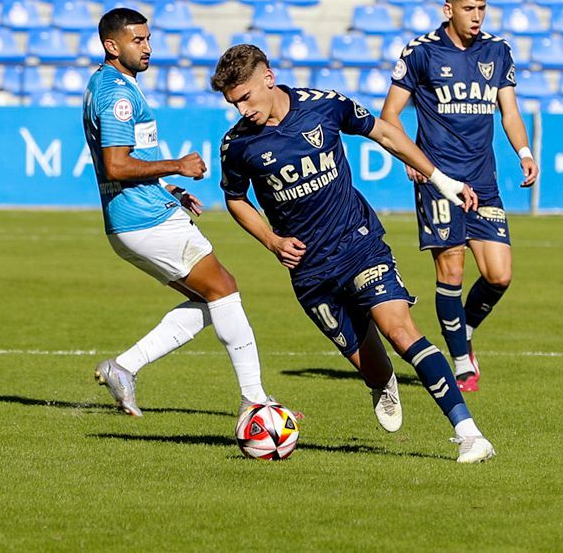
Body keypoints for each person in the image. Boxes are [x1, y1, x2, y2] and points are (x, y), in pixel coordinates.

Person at [211, 44, 495, 464]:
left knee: (401, 333)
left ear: (267, 78)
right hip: (309, 271)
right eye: (234, 103)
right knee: (375, 368)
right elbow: (235, 199)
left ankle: (469, 434)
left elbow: (384, 131)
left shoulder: (323, 105)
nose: (242, 109)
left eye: (246, 97)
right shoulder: (237, 145)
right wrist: (272, 241)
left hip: (358, 243)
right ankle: (381, 383)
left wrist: (441, 180)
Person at [84, 8, 274, 417]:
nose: (148, 47)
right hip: (145, 218)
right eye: (138, 41)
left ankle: (124, 367)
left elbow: (127, 159)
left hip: (133, 218)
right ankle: (255, 401)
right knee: (224, 289)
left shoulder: (108, 84)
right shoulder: (116, 94)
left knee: (212, 301)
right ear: (111, 46)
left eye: (148, 38)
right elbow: (115, 164)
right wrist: (177, 166)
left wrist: (169, 188)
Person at [380, 0, 538, 392]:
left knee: (499, 274)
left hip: (483, 181)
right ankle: (460, 358)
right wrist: (411, 159)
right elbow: (390, 115)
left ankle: (462, 330)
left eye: (482, 8)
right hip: (439, 179)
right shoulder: (421, 53)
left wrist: (523, 152)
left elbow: (510, 112)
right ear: (448, 9)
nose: (477, 17)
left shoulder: (497, 51)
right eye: (469, 9)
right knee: (452, 268)